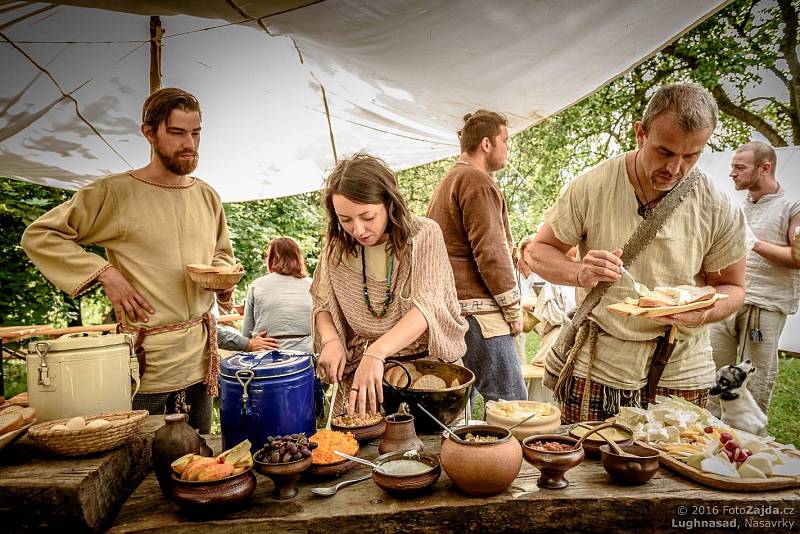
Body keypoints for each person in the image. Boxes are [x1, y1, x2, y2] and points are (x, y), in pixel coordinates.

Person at [527, 83, 747, 423]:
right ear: (640, 134)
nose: (675, 169)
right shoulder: (592, 185)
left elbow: (733, 288)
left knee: (676, 469)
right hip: (599, 364)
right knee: (586, 469)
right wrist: (578, 272)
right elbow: (538, 252)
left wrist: (700, 311)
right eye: (664, 151)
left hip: (681, 368)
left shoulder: (718, 205)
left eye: (691, 156)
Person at [21, 87, 234, 432]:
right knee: (140, 466)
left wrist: (222, 281)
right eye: (177, 133)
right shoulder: (114, 193)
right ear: (148, 133)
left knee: (198, 457)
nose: (189, 144)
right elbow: (40, 235)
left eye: (195, 133)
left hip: (199, 360)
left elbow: (221, 254)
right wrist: (105, 272)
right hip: (148, 365)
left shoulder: (207, 196)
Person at [312, 154, 468, 417]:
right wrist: (330, 340)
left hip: (426, 379)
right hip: (363, 378)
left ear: (389, 203)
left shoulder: (423, 235)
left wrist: (377, 352)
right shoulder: (336, 248)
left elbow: (427, 306)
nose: (358, 229)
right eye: (345, 219)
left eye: (367, 216)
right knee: (354, 451)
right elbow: (322, 303)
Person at [427, 110, 527, 404]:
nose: (508, 147)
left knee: (459, 411)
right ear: (487, 143)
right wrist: (513, 311)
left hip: (453, 313)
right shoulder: (476, 181)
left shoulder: (451, 180)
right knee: (512, 405)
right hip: (479, 316)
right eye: (505, 140)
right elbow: (492, 255)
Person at [709, 141, 800, 416]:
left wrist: (753, 242)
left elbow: (799, 257)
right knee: (713, 375)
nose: (732, 173)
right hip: (729, 302)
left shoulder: (793, 207)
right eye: (732, 167)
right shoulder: (740, 207)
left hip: (766, 308)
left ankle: (750, 448)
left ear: (765, 168)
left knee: (754, 384)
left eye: (740, 167)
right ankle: (705, 441)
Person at [242, 237, 314, 353]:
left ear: (273, 259)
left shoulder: (257, 285)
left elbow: (246, 333)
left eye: (267, 256)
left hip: (266, 354)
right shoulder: (313, 285)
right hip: (306, 356)